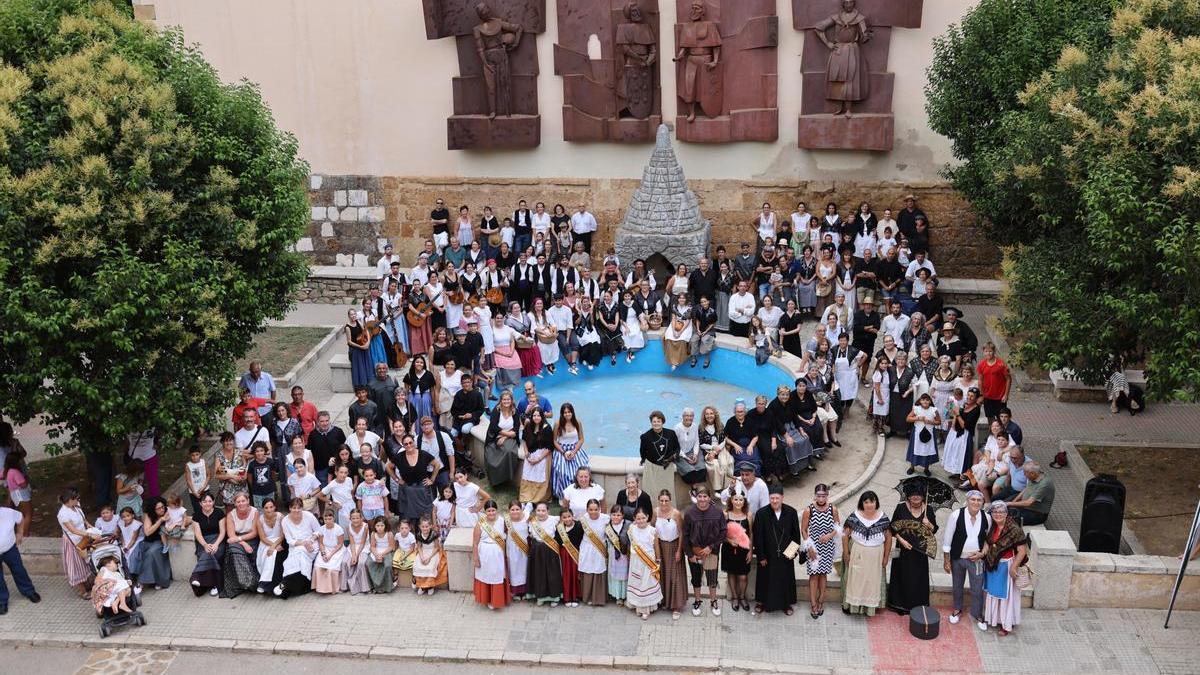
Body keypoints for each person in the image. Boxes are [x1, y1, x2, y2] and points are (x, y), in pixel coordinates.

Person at [886, 483, 938, 615]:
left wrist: (929, 524)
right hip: (903, 549)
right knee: (901, 576)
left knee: (917, 578)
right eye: (912, 495)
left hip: (920, 551)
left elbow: (935, 530)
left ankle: (916, 606)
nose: (915, 498)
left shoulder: (929, 510)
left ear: (922, 497)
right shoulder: (900, 508)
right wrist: (901, 540)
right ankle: (900, 606)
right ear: (908, 497)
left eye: (918, 495)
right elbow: (892, 527)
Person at [942, 490, 990, 630]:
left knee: (977, 589)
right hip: (958, 558)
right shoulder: (956, 515)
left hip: (977, 560)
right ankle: (957, 609)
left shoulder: (987, 517)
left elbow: (989, 540)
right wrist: (946, 560)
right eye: (973, 499)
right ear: (967, 501)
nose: (976, 502)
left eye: (979, 500)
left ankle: (978, 615)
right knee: (957, 585)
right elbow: (947, 539)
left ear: (982, 502)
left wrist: (982, 554)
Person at [841, 490, 891, 616]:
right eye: (866, 502)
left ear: (876, 503)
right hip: (858, 554)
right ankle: (852, 607)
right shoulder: (854, 517)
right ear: (862, 503)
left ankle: (869, 608)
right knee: (855, 582)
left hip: (876, 556)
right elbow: (845, 536)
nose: (869, 505)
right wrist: (846, 554)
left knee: (871, 582)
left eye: (872, 501)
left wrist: (886, 557)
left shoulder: (883, 518)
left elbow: (889, 539)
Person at [984, 502, 1028, 636]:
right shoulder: (992, 526)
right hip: (993, 564)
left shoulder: (1014, 529)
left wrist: (1013, 567)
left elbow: (1022, 551)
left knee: (1006, 596)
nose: (998, 514)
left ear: (1006, 513)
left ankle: (1006, 624)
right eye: (995, 512)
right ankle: (993, 619)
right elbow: (988, 541)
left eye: (1001, 512)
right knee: (992, 592)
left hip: (1007, 566)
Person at [682, 487, 725, 617]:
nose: (702, 499)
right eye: (700, 496)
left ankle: (713, 601)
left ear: (709, 498)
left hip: (711, 552)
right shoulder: (689, 513)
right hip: (695, 551)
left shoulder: (718, 512)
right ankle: (697, 600)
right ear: (696, 497)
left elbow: (723, 532)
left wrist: (711, 547)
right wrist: (689, 554)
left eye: (705, 496)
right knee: (696, 578)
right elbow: (685, 535)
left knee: (712, 578)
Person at [275, 498, 321, 598]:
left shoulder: (309, 516)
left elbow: (318, 530)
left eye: (299, 508)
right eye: (294, 508)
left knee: (301, 554)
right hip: (295, 546)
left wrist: (310, 541)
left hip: (311, 545)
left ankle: (284, 585)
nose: (296, 510)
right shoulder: (285, 521)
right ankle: (290, 586)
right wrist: (303, 543)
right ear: (290, 508)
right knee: (293, 560)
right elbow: (289, 540)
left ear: (302, 508)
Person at [653, 490, 687, 619]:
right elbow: (651, 527)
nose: (663, 503)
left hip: (674, 546)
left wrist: (679, 550)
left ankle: (676, 605)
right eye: (661, 500)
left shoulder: (676, 513)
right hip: (660, 546)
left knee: (675, 576)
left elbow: (681, 533)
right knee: (663, 574)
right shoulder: (656, 512)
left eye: (666, 500)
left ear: (670, 500)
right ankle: (665, 601)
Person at [0, 505, 40, 615]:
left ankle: (29, 591)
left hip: (10, 549)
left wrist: (20, 533)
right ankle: (2, 601)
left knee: (19, 570)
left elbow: (21, 518)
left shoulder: (9, 513)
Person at [472, 500, 510, 610]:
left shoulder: (502, 521)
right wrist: (475, 558)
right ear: (485, 511)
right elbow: (475, 543)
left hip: (498, 555)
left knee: (497, 577)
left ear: (497, 510)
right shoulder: (480, 524)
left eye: (493, 510)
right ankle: (487, 599)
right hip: (484, 554)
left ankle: (496, 600)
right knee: (485, 576)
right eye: (489, 511)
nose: (491, 513)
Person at [220, 493, 260, 598]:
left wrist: (241, 540)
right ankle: (249, 581)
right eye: (238, 502)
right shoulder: (231, 515)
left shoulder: (254, 512)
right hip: (237, 541)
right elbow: (231, 535)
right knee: (233, 550)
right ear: (235, 504)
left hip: (251, 539)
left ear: (248, 501)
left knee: (251, 550)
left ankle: (249, 581)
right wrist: (242, 543)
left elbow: (254, 533)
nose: (241, 503)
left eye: (243, 501)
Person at [627, 507, 663, 620]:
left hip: (648, 560)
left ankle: (646, 609)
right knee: (637, 582)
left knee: (646, 584)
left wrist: (658, 560)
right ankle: (637, 605)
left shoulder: (652, 530)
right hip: (636, 560)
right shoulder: (632, 529)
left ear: (648, 517)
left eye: (643, 518)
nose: (641, 520)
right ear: (634, 519)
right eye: (638, 518)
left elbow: (656, 546)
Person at [56, 489, 92, 597]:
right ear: (70, 500)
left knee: (85, 562)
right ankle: (82, 591)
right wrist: (88, 534)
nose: (78, 500)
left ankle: (87, 583)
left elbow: (83, 518)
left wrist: (88, 525)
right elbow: (72, 530)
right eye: (76, 499)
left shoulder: (77, 506)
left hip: (83, 538)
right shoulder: (63, 514)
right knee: (76, 566)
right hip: (73, 541)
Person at [189, 493, 226, 597]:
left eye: (210, 501)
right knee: (207, 551)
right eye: (204, 501)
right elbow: (198, 534)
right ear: (200, 503)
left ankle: (196, 576)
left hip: (218, 540)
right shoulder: (196, 515)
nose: (207, 503)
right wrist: (205, 545)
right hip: (203, 541)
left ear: (213, 502)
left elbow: (223, 531)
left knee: (213, 552)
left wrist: (216, 544)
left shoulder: (219, 513)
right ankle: (215, 584)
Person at [527, 502, 563, 606]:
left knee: (553, 574)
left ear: (548, 511)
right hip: (537, 552)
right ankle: (541, 596)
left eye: (543, 510)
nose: (541, 513)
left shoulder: (554, 519)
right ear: (535, 511)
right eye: (538, 510)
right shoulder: (532, 522)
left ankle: (555, 597)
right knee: (539, 574)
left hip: (551, 551)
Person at [639, 411, 680, 503]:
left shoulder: (671, 433)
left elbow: (677, 448)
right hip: (652, 468)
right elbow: (642, 451)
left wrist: (671, 459)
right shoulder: (645, 436)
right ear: (651, 422)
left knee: (668, 491)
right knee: (651, 491)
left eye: (658, 421)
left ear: (662, 422)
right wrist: (643, 459)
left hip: (667, 467)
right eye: (654, 421)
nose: (656, 423)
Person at [484, 392, 521, 488]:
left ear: (511, 400)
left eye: (508, 399)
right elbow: (493, 427)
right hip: (495, 436)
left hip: (510, 437)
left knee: (509, 451)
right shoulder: (496, 411)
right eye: (504, 399)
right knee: (492, 456)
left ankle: (506, 478)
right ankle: (496, 481)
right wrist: (505, 434)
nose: (506, 401)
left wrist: (506, 436)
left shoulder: (515, 411)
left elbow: (516, 427)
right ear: (501, 400)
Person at [552, 403, 588, 498]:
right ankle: (565, 496)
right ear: (562, 414)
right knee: (562, 472)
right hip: (561, 450)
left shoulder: (577, 422)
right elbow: (554, 441)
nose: (567, 414)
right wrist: (564, 452)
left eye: (569, 412)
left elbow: (581, 439)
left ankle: (580, 493)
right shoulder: (557, 424)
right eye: (565, 412)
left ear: (572, 412)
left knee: (581, 471)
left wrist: (574, 452)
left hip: (575, 450)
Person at [1005, 461, 1054, 526]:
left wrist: (1010, 504)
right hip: (1025, 506)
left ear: (1032, 473)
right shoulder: (1035, 476)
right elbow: (1025, 489)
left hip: (1036, 513)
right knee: (1002, 505)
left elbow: (1028, 502)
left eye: (1025, 473)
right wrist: (1014, 501)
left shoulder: (1045, 484)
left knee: (1008, 518)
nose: (1024, 475)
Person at [139, 497, 173, 591]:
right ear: (153, 510)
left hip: (161, 541)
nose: (162, 509)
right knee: (146, 551)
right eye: (158, 508)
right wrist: (160, 521)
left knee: (152, 552)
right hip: (149, 541)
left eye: (162, 507)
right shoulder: (149, 516)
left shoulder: (168, 512)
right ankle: (147, 580)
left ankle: (158, 581)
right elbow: (147, 532)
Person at [254, 498, 286, 595]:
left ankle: (264, 583)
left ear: (275, 507)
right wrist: (272, 546)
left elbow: (282, 534)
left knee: (273, 554)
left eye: (271, 507)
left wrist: (275, 546)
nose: (269, 510)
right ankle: (264, 581)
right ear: (263, 509)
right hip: (266, 542)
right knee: (268, 555)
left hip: (279, 540)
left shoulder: (280, 517)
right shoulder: (260, 520)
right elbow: (262, 537)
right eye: (266, 508)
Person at [905, 393, 941, 477]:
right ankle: (912, 467)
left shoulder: (934, 410)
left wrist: (931, 422)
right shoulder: (916, 409)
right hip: (917, 432)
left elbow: (939, 421)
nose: (925, 401)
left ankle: (926, 468)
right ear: (920, 401)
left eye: (927, 400)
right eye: (923, 400)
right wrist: (917, 418)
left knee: (927, 450)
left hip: (929, 433)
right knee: (915, 450)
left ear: (930, 401)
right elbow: (908, 419)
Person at [414, 515, 448, 594]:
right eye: (423, 526)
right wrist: (422, 557)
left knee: (431, 565)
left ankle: (430, 585)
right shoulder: (419, 535)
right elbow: (419, 547)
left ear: (430, 526)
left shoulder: (434, 534)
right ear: (420, 527)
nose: (425, 528)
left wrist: (429, 558)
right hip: (423, 551)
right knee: (418, 565)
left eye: (427, 526)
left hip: (433, 552)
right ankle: (422, 586)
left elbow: (436, 547)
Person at [366, 515, 397, 594]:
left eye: (382, 525)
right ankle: (374, 586)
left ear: (385, 526)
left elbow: (391, 547)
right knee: (369, 563)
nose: (380, 528)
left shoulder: (389, 534)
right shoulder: (373, 534)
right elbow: (372, 546)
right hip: (377, 551)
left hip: (387, 551)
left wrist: (382, 554)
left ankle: (386, 587)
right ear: (375, 526)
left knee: (387, 565)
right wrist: (376, 554)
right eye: (378, 525)